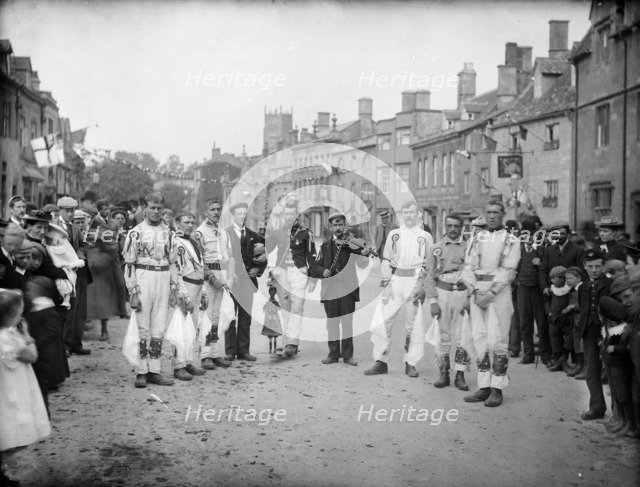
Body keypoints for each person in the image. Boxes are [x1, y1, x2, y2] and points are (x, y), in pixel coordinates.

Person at [461, 199, 521, 407]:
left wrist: (490, 293)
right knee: (479, 338)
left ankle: (497, 389)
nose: (492, 216)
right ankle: (484, 386)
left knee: (499, 341)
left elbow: (508, 271)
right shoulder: (475, 239)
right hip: (477, 293)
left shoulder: (511, 240)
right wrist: (476, 291)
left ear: (503, 214)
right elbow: (467, 267)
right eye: (489, 212)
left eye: (496, 212)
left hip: (499, 295)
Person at [365, 201, 434, 377]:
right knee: (384, 321)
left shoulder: (425, 236)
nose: (409, 216)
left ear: (418, 214)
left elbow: (431, 264)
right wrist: (388, 279)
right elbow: (386, 258)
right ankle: (381, 361)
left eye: (412, 212)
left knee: (413, 323)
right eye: (405, 212)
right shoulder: (394, 235)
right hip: (396, 280)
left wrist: (425, 285)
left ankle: (410, 363)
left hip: (415, 281)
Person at [123, 193, 181, 388]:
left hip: (163, 277)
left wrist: (174, 289)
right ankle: (141, 371)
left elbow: (173, 264)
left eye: (159, 208)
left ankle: (154, 370)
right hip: (144, 277)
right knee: (143, 327)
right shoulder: (136, 232)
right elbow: (129, 264)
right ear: (144, 208)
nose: (156, 212)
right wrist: (132, 292)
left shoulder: (169, 233)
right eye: (152, 208)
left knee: (158, 325)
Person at [0, 289, 51, 485]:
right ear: (11, 316)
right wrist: (28, 336)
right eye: (19, 312)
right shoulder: (8, 337)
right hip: (10, 391)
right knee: (8, 429)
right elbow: (31, 356)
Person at [310, 212, 370, 366]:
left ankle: (348, 355)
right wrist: (323, 271)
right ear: (331, 227)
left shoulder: (352, 244)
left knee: (347, 322)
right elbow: (314, 267)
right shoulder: (325, 245)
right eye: (334, 225)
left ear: (345, 226)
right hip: (330, 289)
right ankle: (333, 354)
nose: (337, 228)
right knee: (332, 323)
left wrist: (363, 254)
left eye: (340, 225)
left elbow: (363, 265)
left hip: (347, 289)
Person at [424, 213, 470, 390]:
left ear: (461, 227)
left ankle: (460, 374)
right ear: (444, 226)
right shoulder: (435, 248)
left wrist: (470, 298)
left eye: (456, 226)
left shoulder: (468, 247)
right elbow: (429, 276)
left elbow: (473, 274)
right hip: (442, 292)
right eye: (449, 226)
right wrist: (433, 301)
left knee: (462, 335)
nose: (452, 229)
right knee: (443, 335)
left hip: (462, 293)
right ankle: (444, 373)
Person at [265, 202, 317, 358]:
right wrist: (271, 273)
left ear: (297, 215)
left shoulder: (306, 233)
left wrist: (313, 277)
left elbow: (312, 255)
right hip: (283, 274)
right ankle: (288, 342)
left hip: (299, 273)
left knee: (297, 307)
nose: (289, 217)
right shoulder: (277, 232)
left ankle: (292, 343)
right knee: (286, 307)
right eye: (286, 214)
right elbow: (269, 253)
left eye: (292, 214)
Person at [192, 199, 233, 370]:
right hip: (208, 279)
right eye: (212, 209)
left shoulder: (223, 232)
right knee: (207, 316)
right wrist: (211, 278)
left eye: (218, 209)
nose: (216, 212)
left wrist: (229, 277)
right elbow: (198, 259)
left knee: (218, 316)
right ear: (205, 212)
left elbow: (230, 256)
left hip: (222, 276)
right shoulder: (199, 233)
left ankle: (215, 353)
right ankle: (205, 355)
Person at [225, 202, 266, 362]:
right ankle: (230, 351)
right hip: (231, 281)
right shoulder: (225, 234)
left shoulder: (253, 235)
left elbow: (262, 257)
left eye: (244, 214)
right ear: (233, 216)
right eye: (239, 214)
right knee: (230, 316)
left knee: (245, 317)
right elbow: (221, 257)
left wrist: (258, 269)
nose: (242, 216)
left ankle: (244, 350)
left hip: (248, 281)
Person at [24, 276, 70, 414]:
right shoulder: (33, 306)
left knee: (41, 386)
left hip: (43, 353)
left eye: (32, 289)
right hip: (35, 352)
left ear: (41, 291)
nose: (28, 292)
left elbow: (53, 332)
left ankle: (44, 413)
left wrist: (36, 343)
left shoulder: (48, 309)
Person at [172, 211, 208, 381]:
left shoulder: (192, 242)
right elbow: (177, 273)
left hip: (198, 286)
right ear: (177, 224)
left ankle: (187, 362)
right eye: (186, 222)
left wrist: (203, 293)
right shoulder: (176, 243)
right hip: (185, 287)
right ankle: (178, 366)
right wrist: (185, 296)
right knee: (180, 327)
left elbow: (200, 267)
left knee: (191, 327)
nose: (190, 225)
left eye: (192, 222)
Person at [576, 249, 611, 420]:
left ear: (603, 266)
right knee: (592, 371)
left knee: (612, 370)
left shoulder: (610, 285)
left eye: (598, 266)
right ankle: (597, 407)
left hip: (608, 331)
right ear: (584, 266)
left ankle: (620, 415)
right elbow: (583, 311)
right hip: (590, 331)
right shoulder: (583, 287)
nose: (594, 270)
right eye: (590, 266)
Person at [56, 196, 92, 356]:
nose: (71, 214)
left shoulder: (75, 228)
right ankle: (64, 345)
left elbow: (84, 245)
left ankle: (76, 343)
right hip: (61, 274)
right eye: (67, 211)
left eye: (72, 210)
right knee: (66, 310)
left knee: (79, 311)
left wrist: (77, 257)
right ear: (60, 211)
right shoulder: (53, 228)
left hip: (78, 273)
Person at [86, 202, 128, 341]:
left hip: (113, 257)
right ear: (99, 210)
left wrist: (116, 242)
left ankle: (121, 311)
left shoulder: (113, 222)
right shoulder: (93, 221)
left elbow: (119, 237)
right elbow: (90, 238)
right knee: (97, 293)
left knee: (120, 283)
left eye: (109, 208)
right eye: (105, 208)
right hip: (97, 261)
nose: (107, 210)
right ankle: (94, 325)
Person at [598, 296, 636, 436]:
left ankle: (629, 423)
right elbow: (606, 339)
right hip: (610, 364)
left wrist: (615, 349)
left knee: (623, 394)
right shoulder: (610, 327)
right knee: (615, 393)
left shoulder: (624, 329)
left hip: (620, 365)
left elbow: (629, 347)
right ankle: (620, 420)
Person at [516, 220, 550, 366]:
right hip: (523, 288)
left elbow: (547, 268)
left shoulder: (542, 250)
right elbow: (512, 267)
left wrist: (541, 263)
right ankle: (528, 354)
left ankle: (545, 355)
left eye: (530, 234)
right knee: (525, 323)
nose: (528, 237)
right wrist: (517, 281)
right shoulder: (518, 250)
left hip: (537, 289)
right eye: (525, 234)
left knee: (541, 323)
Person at [546, 266, 573, 372]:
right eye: (551, 278)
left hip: (566, 319)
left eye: (554, 277)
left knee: (568, 340)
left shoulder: (570, 289)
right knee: (555, 340)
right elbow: (547, 302)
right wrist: (549, 312)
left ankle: (564, 360)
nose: (551, 280)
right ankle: (558, 362)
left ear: (562, 279)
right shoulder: (551, 289)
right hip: (554, 319)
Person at [563, 266, 585, 377]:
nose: (568, 281)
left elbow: (584, 304)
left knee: (581, 344)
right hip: (575, 321)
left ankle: (584, 368)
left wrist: (572, 307)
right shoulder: (573, 290)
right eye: (566, 278)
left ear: (579, 278)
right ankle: (579, 365)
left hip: (582, 321)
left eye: (571, 278)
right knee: (576, 344)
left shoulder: (583, 289)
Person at [0, 221, 24, 290]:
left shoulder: (14, 256)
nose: (12, 248)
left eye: (17, 245)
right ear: (2, 240)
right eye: (9, 244)